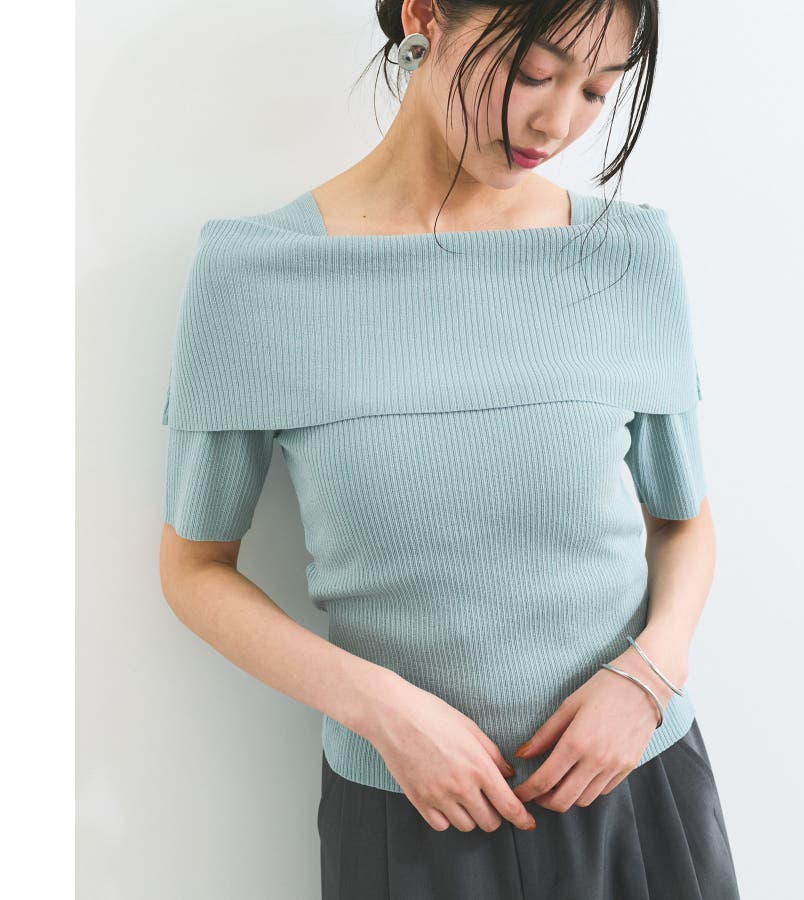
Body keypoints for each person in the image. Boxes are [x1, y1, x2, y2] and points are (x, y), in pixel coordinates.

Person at [158, 0, 741, 896]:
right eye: (535, 73)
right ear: (426, 13)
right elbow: (195, 569)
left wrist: (649, 677)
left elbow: (682, 522)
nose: (557, 123)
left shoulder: (627, 253)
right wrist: (377, 708)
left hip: (634, 786)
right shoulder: (254, 275)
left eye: (596, 90)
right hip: (408, 815)